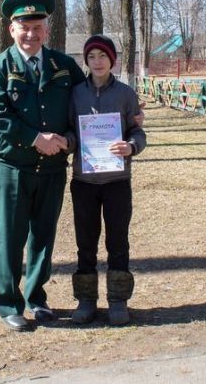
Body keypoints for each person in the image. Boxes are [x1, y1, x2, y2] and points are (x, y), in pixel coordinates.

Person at [0, 0, 88, 332]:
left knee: (43, 236)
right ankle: (8, 304)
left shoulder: (64, 66)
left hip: (53, 168)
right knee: (9, 237)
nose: (31, 34)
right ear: (12, 29)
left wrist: (126, 113)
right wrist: (35, 139)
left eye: (37, 27)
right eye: (23, 27)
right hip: (11, 168)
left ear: (47, 30)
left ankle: (36, 298)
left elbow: (85, 106)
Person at [65, 35, 146, 326]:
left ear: (112, 60)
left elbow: (138, 133)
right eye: (91, 57)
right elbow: (70, 131)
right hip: (84, 181)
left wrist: (131, 147)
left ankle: (118, 301)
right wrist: (69, 142)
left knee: (118, 241)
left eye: (103, 56)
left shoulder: (125, 94)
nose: (97, 62)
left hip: (117, 181)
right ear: (85, 61)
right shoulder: (75, 94)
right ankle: (86, 301)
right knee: (85, 243)